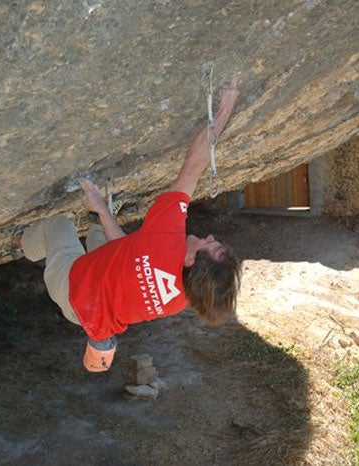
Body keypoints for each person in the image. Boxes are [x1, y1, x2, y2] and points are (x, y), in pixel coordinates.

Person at [17, 75, 242, 372]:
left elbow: (194, 165)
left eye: (208, 245)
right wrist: (99, 207)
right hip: (103, 298)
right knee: (101, 234)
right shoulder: (185, 296)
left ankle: (18, 244)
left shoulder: (166, 238)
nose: (209, 235)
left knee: (58, 226)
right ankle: (101, 339)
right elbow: (132, 250)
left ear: (189, 259)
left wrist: (225, 108)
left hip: (72, 291)